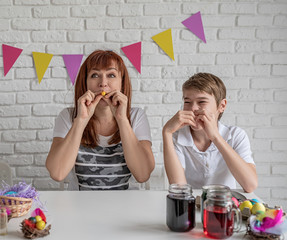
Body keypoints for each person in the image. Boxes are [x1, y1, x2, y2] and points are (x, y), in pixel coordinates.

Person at [46, 50, 155, 190]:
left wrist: (122, 119)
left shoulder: (136, 117)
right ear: (85, 83)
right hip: (79, 206)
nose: (103, 83)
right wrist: (81, 120)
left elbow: (143, 175)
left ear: (122, 83)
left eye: (111, 75)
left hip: (126, 205)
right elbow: (57, 173)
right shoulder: (68, 116)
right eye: (95, 75)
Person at [162, 73, 257, 193]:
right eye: (187, 102)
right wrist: (166, 132)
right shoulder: (177, 137)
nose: (193, 108)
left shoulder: (236, 135)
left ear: (221, 106)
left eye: (201, 102)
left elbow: (250, 185)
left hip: (224, 205)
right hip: (192, 205)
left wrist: (216, 137)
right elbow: (179, 189)